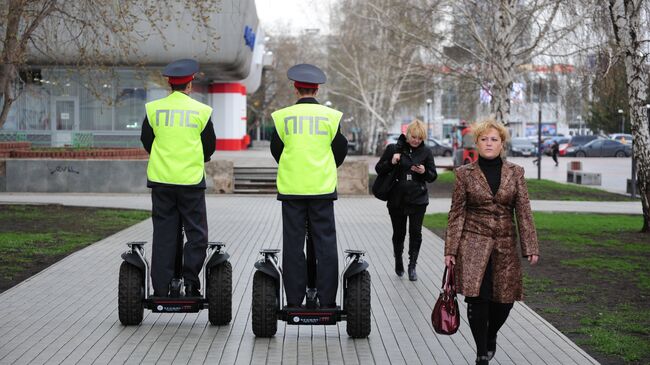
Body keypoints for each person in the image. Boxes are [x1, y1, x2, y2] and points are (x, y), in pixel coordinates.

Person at [444, 119, 539, 365]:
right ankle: (480, 351)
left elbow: (524, 211)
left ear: (502, 144)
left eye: (494, 139)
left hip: (505, 245)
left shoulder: (516, 173)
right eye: (484, 139)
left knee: (505, 301)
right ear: (476, 143)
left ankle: (491, 335)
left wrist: (531, 247)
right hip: (473, 244)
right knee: (478, 298)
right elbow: (456, 213)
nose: (489, 143)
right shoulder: (464, 174)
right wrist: (451, 250)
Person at [270, 63, 348, 308]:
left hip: (291, 189)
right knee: (325, 244)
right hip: (321, 189)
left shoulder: (282, 117)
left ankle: (294, 300)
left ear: (296, 89)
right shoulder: (331, 117)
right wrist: (324, 166)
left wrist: (293, 165)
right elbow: (340, 150)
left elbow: (276, 150)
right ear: (317, 90)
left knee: (293, 245)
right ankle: (326, 301)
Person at [140, 59, 216, 297]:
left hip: (161, 181)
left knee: (164, 234)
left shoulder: (154, 109)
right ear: (190, 85)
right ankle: (191, 282)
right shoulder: (202, 111)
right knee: (196, 234)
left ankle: (162, 288)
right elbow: (209, 147)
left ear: (169, 85)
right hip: (191, 182)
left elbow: (147, 141)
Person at [375, 120, 437, 281]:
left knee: (415, 233)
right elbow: (379, 169)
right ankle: (398, 259)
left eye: (419, 138)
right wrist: (392, 161)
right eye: (413, 137)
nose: (416, 140)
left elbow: (432, 176)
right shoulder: (393, 149)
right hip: (397, 199)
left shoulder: (426, 152)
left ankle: (412, 266)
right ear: (407, 135)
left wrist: (424, 171)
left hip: (418, 199)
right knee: (399, 233)